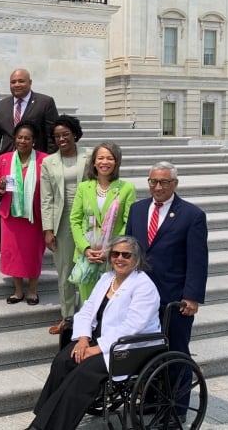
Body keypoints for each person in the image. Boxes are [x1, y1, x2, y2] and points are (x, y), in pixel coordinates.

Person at [27, 236, 160, 430]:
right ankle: (44, 417)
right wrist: (82, 339)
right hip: (99, 336)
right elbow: (88, 309)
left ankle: (46, 427)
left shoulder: (144, 286)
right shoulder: (107, 278)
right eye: (115, 254)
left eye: (126, 255)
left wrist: (96, 349)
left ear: (136, 259)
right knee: (63, 361)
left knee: (83, 373)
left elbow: (132, 327)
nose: (119, 258)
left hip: (128, 346)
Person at [126, 161, 208, 419]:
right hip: (141, 297)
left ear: (175, 184)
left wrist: (192, 296)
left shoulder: (192, 215)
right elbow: (130, 251)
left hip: (174, 297)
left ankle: (177, 409)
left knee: (176, 352)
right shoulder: (137, 209)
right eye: (153, 181)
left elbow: (198, 259)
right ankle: (151, 399)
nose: (157, 187)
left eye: (164, 182)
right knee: (147, 351)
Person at [0, 68, 59, 253]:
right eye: (13, 82)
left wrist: (50, 162)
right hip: (7, 165)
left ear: (30, 82)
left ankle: (36, 240)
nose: (17, 85)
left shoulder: (44, 102)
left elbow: (51, 136)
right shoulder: (3, 106)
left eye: (21, 81)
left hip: (33, 164)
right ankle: (0, 240)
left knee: (33, 202)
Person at [40, 115, 89, 334]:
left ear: (75, 134)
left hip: (89, 220)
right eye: (57, 136)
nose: (61, 139)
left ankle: (90, 317)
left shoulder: (90, 157)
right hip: (62, 221)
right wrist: (48, 229)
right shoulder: (48, 162)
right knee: (65, 271)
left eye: (65, 134)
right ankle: (67, 317)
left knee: (90, 270)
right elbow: (46, 198)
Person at [70, 141, 136, 304]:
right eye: (100, 158)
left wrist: (111, 249)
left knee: (111, 302)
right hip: (88, 256)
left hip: (113, 257)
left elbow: (128, 223)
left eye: (109, 158)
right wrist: (84, 248)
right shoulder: (84, 187)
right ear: (94, 162)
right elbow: (75, 220)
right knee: (88, 301)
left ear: (117, 162)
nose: (104, 162)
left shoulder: (127, 188)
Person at [0, 122, 48, 305]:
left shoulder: (44, 160)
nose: (22, 141)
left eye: (27, 138)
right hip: (11, 216)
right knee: (14, 254)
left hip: (34, 217)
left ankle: (32, 290)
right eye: (19, 137)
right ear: (14, 139)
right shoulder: (4, 159)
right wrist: (0, 187)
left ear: (33, 141)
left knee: (33, 253)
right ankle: (17, 291)